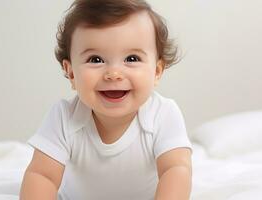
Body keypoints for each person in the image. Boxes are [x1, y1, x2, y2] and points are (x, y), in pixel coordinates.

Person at [19, 0, 192, 199]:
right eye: (96, 59)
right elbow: (43, 175)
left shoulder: (163, 114)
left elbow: (176, 169)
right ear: (72, 73)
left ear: (156, 71)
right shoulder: (64, 117)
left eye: (132, 59)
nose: (114, 74)